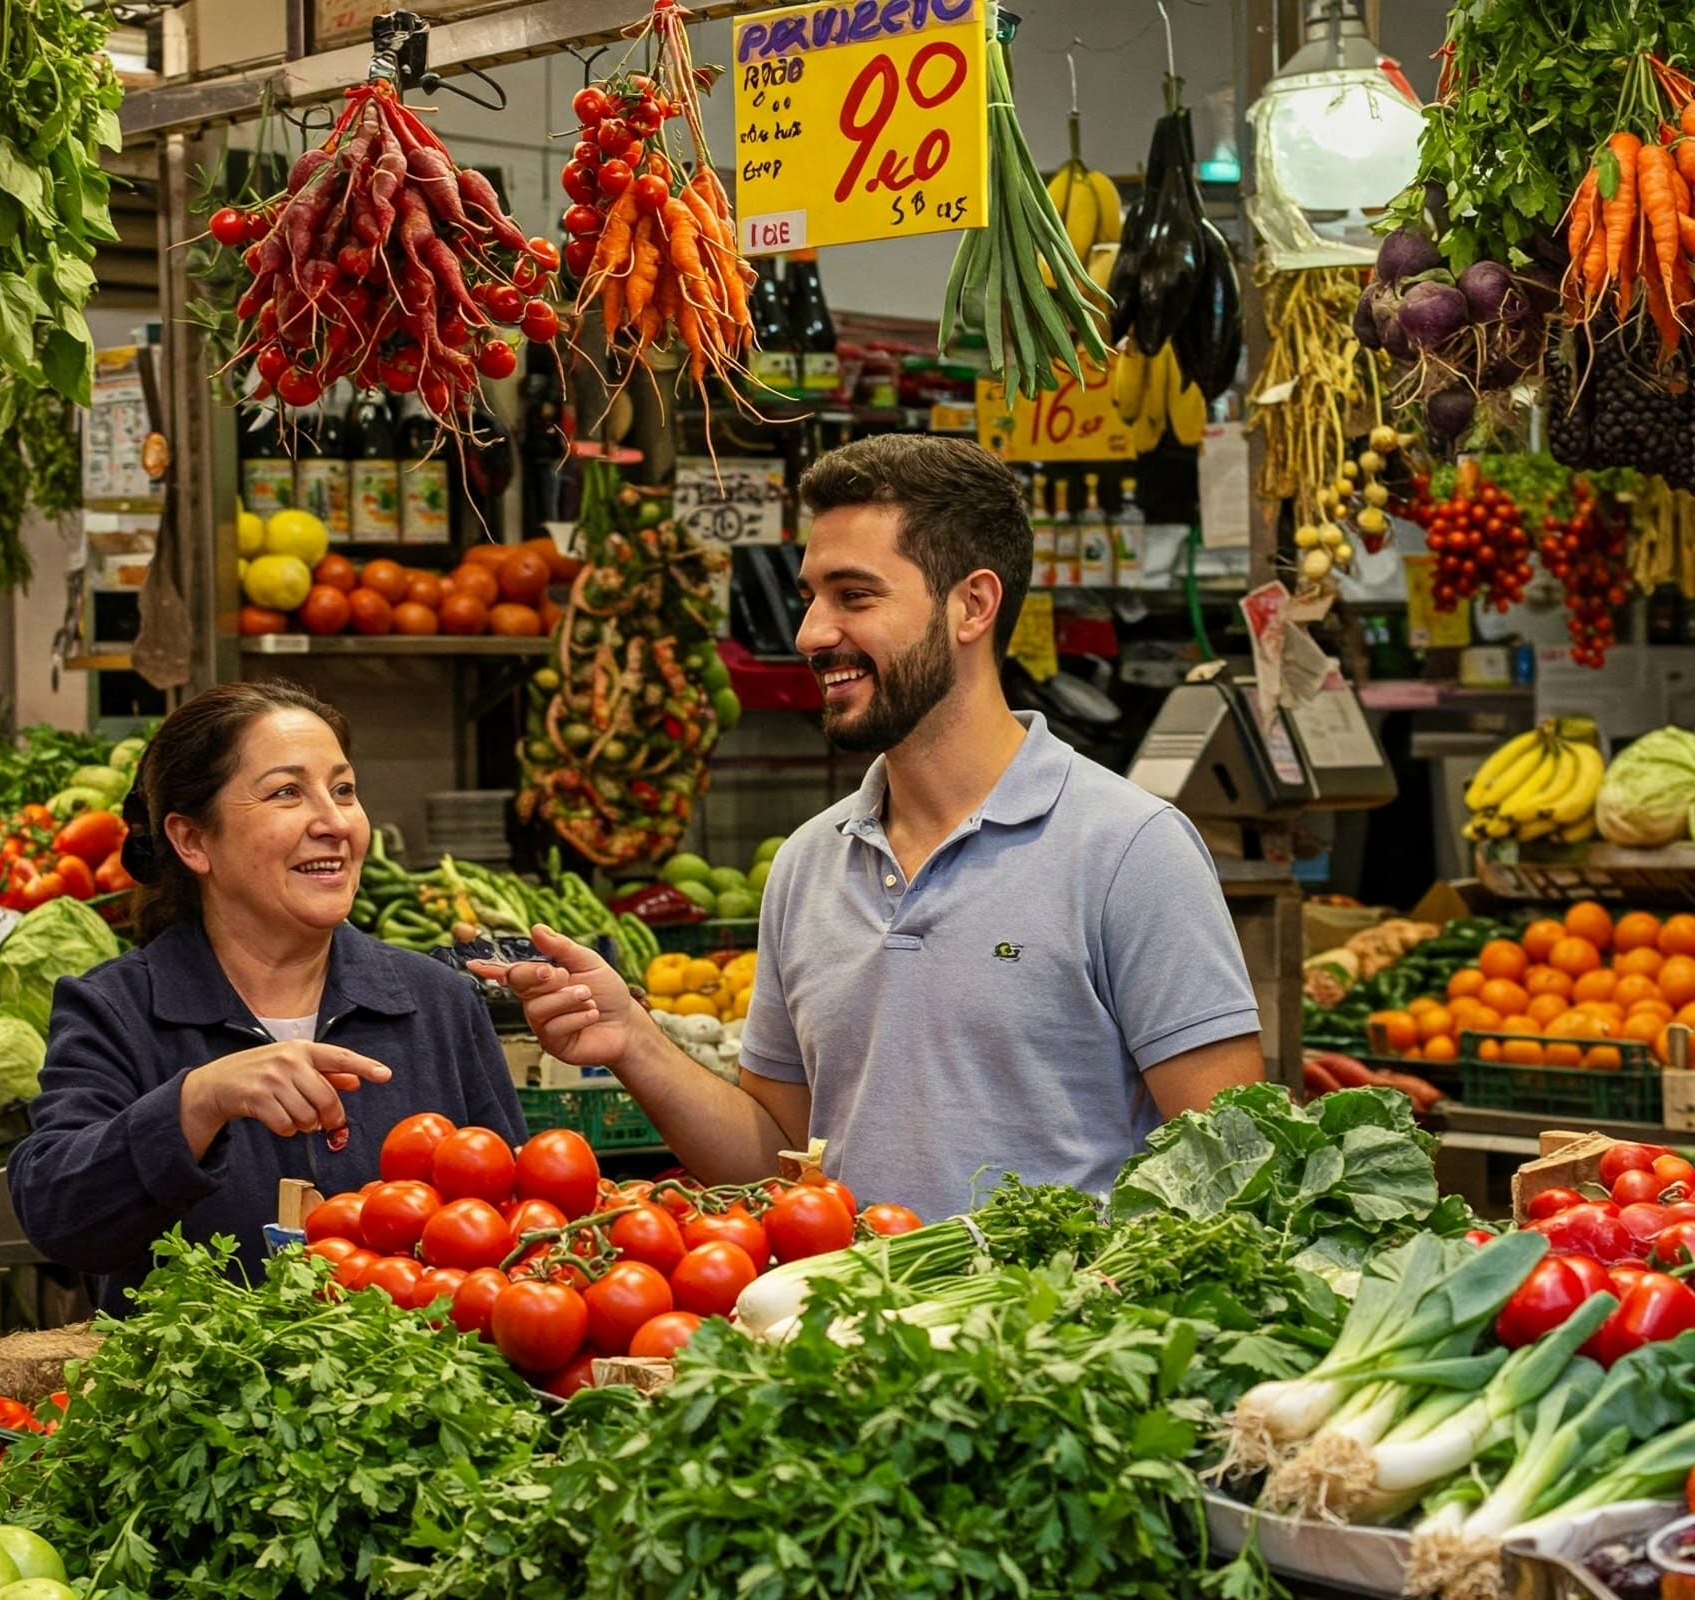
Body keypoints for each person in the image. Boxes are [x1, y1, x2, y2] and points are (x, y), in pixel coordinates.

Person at [478, 436, 1263, 1222]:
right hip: (851, 1336)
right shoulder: (809, 863)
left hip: (1056, 1340)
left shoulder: (1129, 850)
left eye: (854, 597)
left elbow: (1229, 1175)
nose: (812, 634)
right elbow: (777, 1163)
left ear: (972, 605)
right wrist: (634, 1041)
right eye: (812, 596)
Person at [10, 680, 525, 1308]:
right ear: (193, 840)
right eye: (287, 792)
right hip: (201, 1403)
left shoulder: (438, 1003)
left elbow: (514, 1229)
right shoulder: (117, 1010)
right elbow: (61, 1218)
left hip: (421, 1392)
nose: (335, 823)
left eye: (343, 790)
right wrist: (198, 1102)